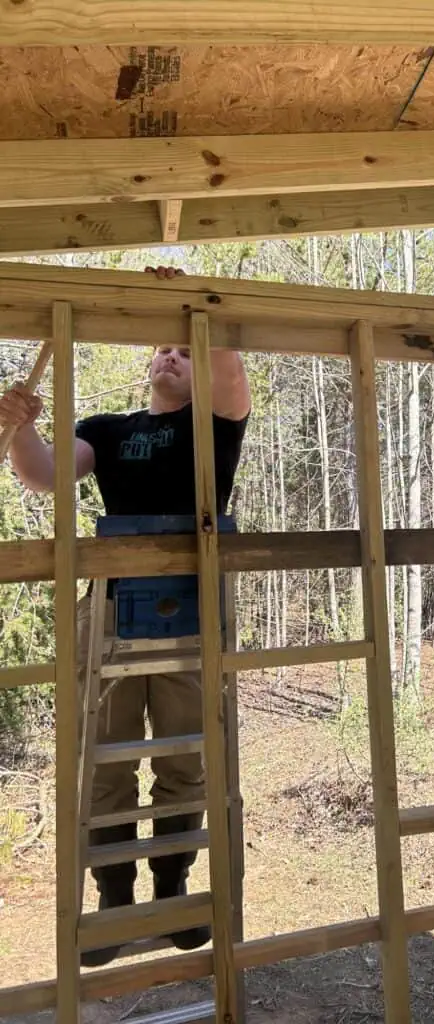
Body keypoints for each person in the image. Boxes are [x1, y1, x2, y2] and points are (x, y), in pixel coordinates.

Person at [0, 265, 251, 967]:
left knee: (185, 755)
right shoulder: (107, 429)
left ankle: (173, 884)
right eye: (162, 350)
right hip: (111, 606)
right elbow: (45, 473)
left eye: (183, 349)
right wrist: (20, 429)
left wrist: (184, 305)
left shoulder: (216, 423)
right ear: (146, 362)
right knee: (103, 760)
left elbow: (226, 366)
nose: (173, 357)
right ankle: (114, 895)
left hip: (193, 605)